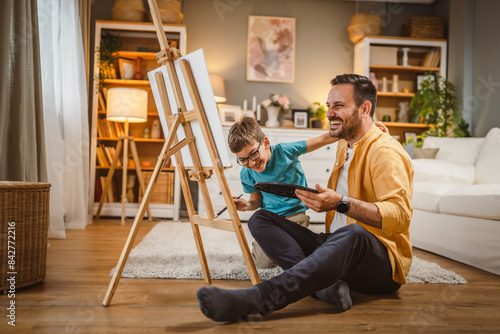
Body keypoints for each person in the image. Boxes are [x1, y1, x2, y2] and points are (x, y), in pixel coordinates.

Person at [197, 74, 413, 322]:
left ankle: (259, 298)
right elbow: (330, 135)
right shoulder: (346, 144)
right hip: (338, 247)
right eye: (328, 106)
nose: (330, 113)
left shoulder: (385, 152)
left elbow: (401, 217)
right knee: (260, 219)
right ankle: (322, 286)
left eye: (338, 106)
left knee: (353, 234)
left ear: (365, 109)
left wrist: (340, 202)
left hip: (379, 266)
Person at [227, 117, 388, 269]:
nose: (251, 162)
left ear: (266, 143)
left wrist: (363, 129)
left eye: (254, 153)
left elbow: (322, 139)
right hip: (269, 220)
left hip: (295, 216)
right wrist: (247, 205)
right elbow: (256, 199)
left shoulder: (285, 151)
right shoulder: (246, 173)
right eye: (243, 159)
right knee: (261, 264)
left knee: (290, 254)